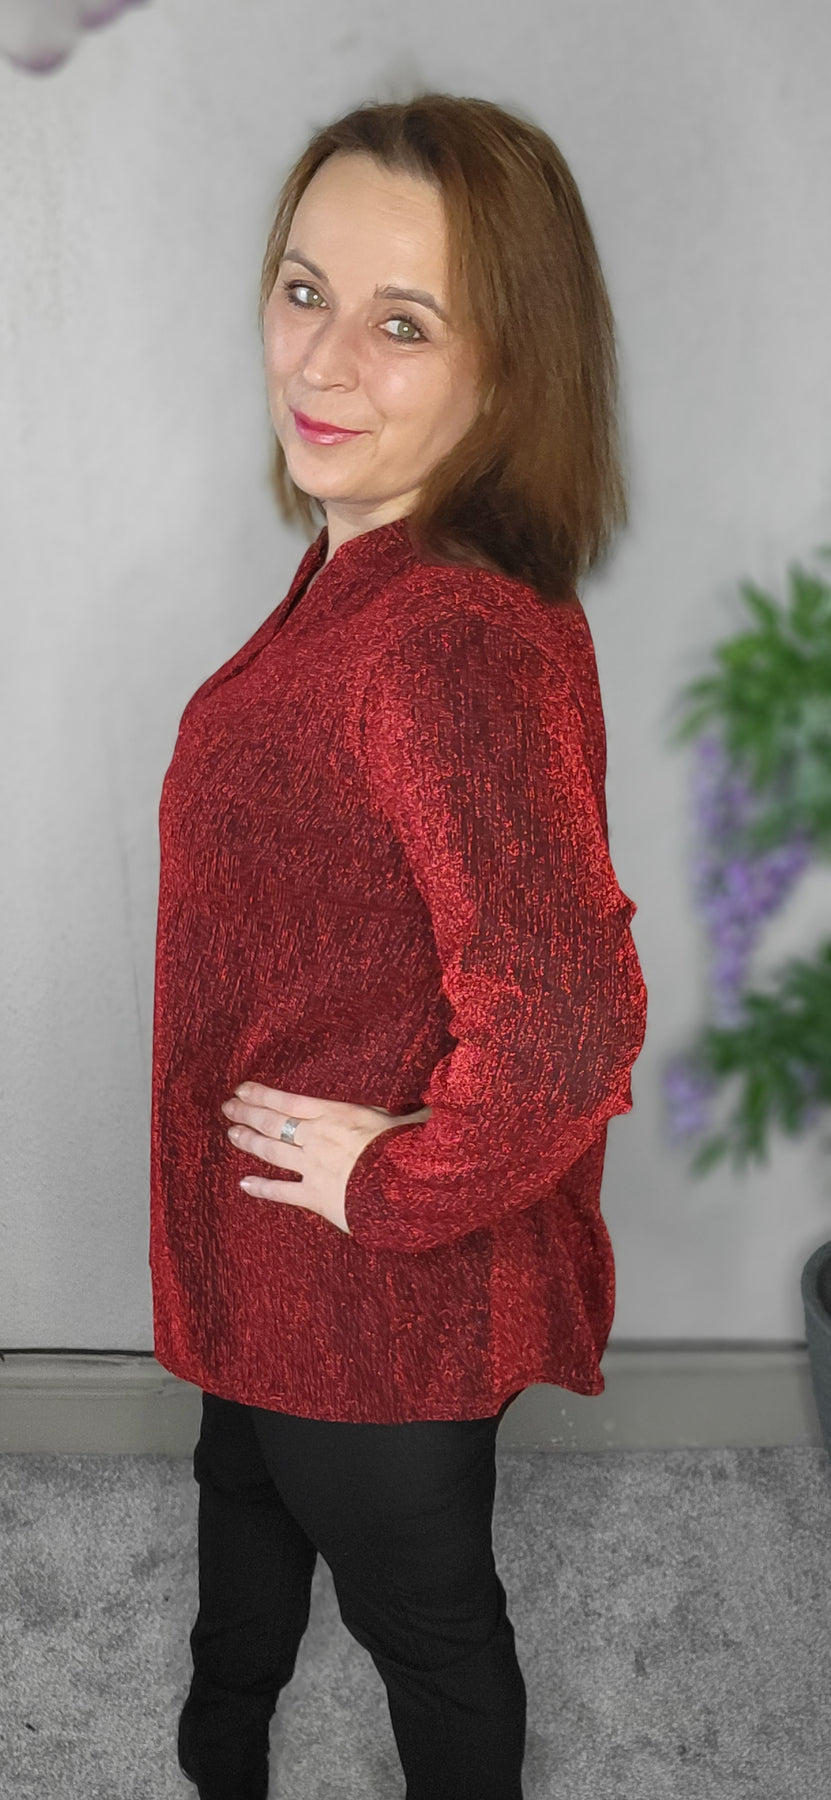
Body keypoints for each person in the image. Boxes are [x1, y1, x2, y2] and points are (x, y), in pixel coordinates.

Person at [149, 91, 648, 1800]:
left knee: (431, 1639)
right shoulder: (380, 564)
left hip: (366, 1312)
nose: (324, 360)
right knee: (238, 1507)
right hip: (270, 1263)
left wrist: (395, 1187)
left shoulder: (442, 641)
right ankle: (223, 1748)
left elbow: (568, 1028)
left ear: (507, 373)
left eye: (405, 322)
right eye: (305, 291)